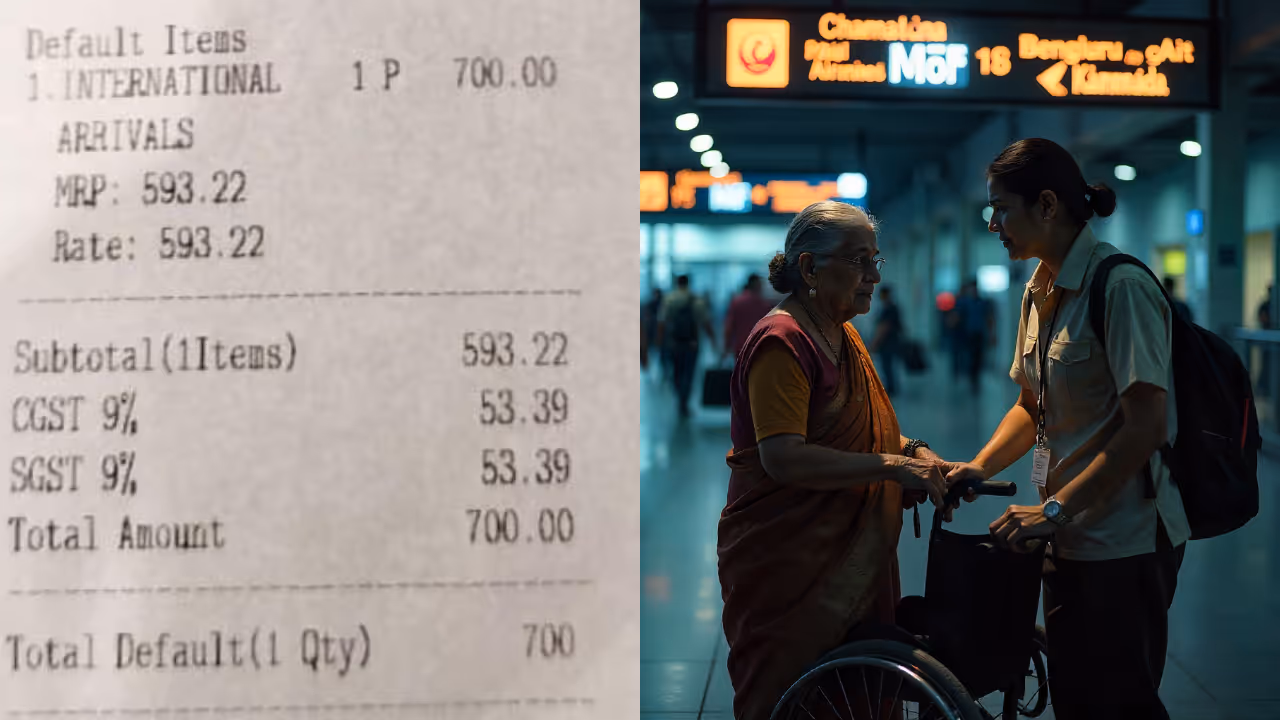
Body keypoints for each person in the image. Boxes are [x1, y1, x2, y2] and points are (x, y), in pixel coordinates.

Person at [947, 138, 1189, 720]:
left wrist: (1054, 510)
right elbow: (1031, 404)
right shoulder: (1038, 290)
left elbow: (1145, 428)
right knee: (1078, 697)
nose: (994, 224)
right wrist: (979, 468)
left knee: (1119, 701)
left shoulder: (1120, 287)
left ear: (1048, 205)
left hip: (1125, 541)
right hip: (1067, 534)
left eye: (1002, 209)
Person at [717, 200, 960, 719]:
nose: (873, 275)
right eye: (857, 261)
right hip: (788, 566)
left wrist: (914, 454)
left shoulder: (843, 333)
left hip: (851, 558)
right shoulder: (782, 342)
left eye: (876, 260)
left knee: (859, 693)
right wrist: (892, 468)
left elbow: (871, 432)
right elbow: (784, 458)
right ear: (809, 268)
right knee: (793, 696)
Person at [657, 275, 715, 417]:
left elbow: (662, 322)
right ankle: (684, 400)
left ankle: (679, 395)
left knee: (676, 371)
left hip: (674, 343)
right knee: (689, 373)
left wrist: (659, 340)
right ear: (689, 283)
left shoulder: (669, 299)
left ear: (677, 282)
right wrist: (713, 339)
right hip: (692, 344)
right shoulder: (697, 300)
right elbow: (705, 323)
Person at [722, 274, 776, 363]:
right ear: (756, 285)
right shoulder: (764, 305)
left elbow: (729, 327)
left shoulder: (737, 302)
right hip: (759, 348)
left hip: (740, 348)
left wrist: (726, 348)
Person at [955, 280, 996, 394]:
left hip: (979, 334)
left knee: (978, 357)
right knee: (970, 357)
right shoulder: (965, 302)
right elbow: (958, 317)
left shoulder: (983, 303)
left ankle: (975, 379)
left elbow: (989, 318)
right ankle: (971, 378)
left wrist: (992, 334)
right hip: (969, 334)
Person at [870, 285, 903, 395]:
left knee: (887, 365)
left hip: (888, 342)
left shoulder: (888, 309)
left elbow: (884, 327)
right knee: (888, 365)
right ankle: (891, 387)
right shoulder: (892, 308)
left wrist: (875, 343)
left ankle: (891, 388)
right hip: (891, 341)